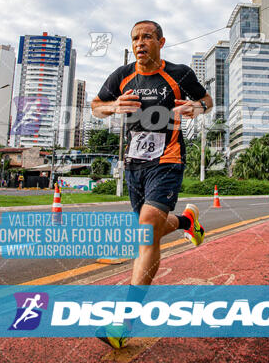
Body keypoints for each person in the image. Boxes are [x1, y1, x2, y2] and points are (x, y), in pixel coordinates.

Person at [91, 20, 213, 348]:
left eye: (146, 37)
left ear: (161, 41)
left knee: (147, 229)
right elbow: (95, 106)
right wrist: (113, 106)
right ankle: (188, 221)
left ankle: (124, 323)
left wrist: (196, 107)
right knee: (154, 228)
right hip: (135, 166)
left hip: (168, 160)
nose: (139, 43)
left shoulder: (180, 73)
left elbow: (207, 101)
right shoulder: (122, 75)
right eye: (135, 38)